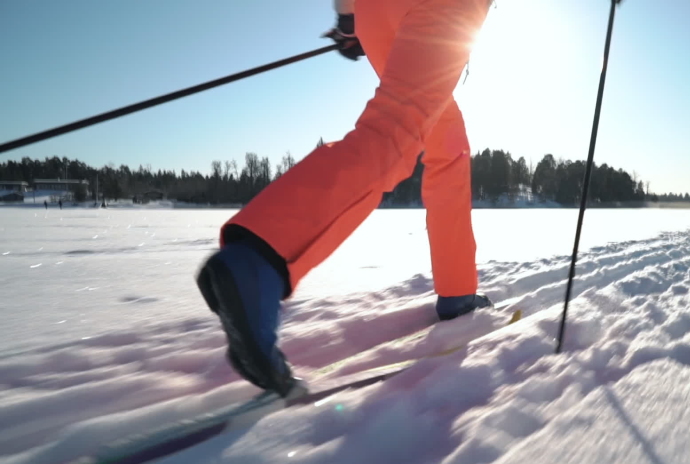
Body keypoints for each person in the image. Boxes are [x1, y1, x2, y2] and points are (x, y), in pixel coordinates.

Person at [196, 0, 494, 398]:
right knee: (397, 131)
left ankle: (458, 290)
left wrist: (348, 16)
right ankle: (261, 256)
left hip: (373, 11)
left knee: (445, 143)